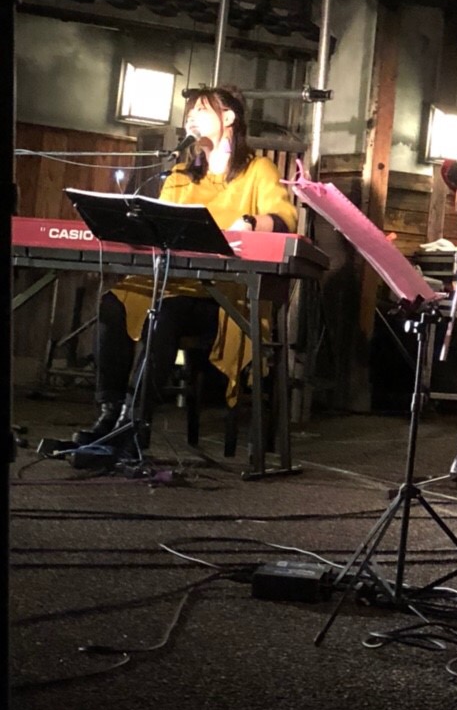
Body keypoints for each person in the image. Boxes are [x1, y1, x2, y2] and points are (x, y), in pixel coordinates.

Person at [85, 84, 299, 455]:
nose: (191, 118)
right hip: (173, 282)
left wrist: (251, 222)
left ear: (228, 117)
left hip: (223, 294)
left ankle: (134, 424)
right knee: (113, 303)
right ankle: (109, 415)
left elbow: (284, 218)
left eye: (202, 110)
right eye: (190, 113)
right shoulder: (180, 175)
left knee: (164, 313)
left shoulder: (257, 170)